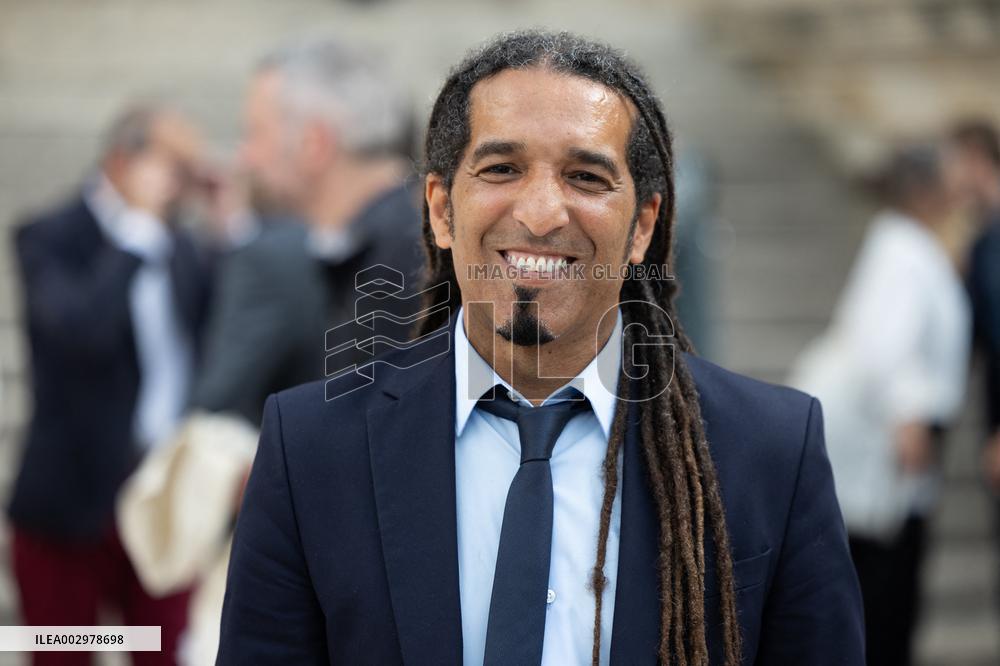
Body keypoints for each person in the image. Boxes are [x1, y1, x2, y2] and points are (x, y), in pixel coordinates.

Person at [218, 31, 864, 665]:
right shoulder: (310, 447)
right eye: (502, 169)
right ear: (441, 208)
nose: (542, 211)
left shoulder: (771, 449)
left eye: (586, 177)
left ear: (643, 226)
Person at [9, 105, 213, 665]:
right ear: (124, 160)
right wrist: (134, 236)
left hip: (164, 493)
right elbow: (81, 336)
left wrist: (230, 222)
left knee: (159, 651)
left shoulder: (185, 244)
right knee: (61, 654)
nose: (185, 181)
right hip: (69, 505)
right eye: (177, 165)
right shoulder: (47, 235)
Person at [790, 145, 971, 665]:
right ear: (924, 191)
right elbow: (886, 343)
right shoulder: (905, 251)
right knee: (884, 593)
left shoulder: (907, 246)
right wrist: (909, 418)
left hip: (884, 439)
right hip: (886, 442)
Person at [190, 38, 423, 427]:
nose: (245, 156)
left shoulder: (409, 256)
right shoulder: (378, 242)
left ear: (314, 143)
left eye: (256, 133)